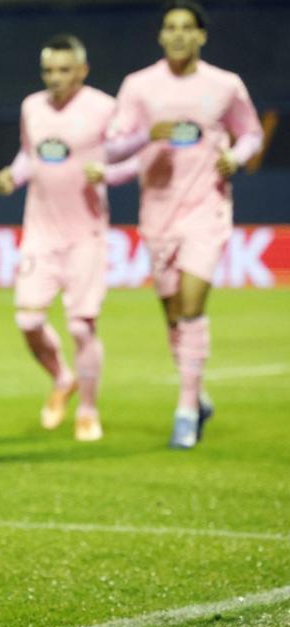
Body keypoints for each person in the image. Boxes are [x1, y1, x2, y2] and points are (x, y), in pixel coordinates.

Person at [107, 0, 263, 449]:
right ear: (161, 36)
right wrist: (145, 136)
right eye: (170, 27)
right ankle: (199, 392)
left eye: (186, 28)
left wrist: (235, 157)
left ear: (201, 36)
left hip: (207, 211)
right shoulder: (139, 87)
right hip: (157, 213)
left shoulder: (224, 85)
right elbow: (113, 148)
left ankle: (186, 410)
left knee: (192, 306)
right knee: (173, 313)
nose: (177, 35)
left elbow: (250, 132)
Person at [0, 34, 137, 442]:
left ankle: (88, 410)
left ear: (82, 71)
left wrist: (108, 173)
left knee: (80, 327)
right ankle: (62, 378)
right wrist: (13, 175)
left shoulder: (105, 108)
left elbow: (135, 150)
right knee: (28, 319)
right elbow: (29, 154)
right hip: (40, 232)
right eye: (49, 71)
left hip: (86, 234)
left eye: (63, 70)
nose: (55, 78)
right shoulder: (32, 107)